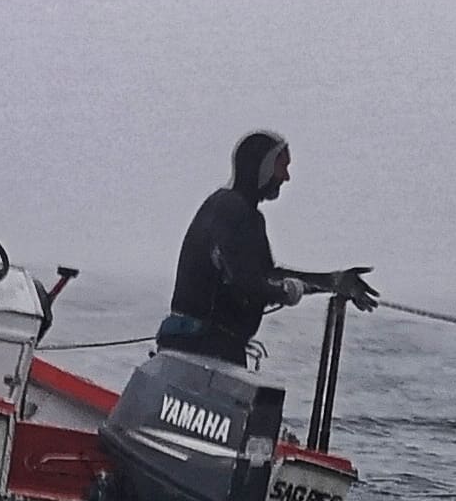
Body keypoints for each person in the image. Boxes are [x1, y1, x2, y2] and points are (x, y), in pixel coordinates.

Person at [154, 129, 374, 362]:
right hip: (203, 350)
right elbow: (248, 283)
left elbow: (261, 275)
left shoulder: (224, 204)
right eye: (282, 167)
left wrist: (333, 281)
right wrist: (288, 292)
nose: (286, 177)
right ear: (261, 167)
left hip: (194, 347)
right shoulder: (235, 211)